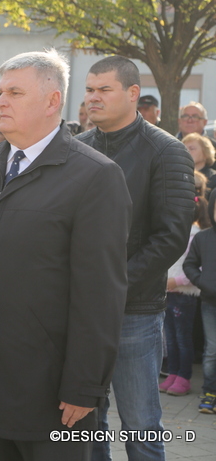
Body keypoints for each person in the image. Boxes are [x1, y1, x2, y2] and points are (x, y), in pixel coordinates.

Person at [0, 49, 132, 461]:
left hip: (49, 394)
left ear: (52, 101)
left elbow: (100, 294)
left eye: (15, 93)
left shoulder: (95, 176)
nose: (0, 102)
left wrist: (85, 385)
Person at [78, 55, 195, 461]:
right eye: (89, 89)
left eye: (103, 89)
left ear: (132, 93)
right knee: (83, 424)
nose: (93, 97)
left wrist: (114, 288)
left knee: (141, 427)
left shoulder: (166, 151)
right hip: (78, 310)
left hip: (135, 312)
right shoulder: (76, 148)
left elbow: (171, 237)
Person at [161, 171, 210, 396]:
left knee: (182, 337)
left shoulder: (195, 235)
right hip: (169, 291)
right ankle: (172, 372)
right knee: (170, 337)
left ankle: (184, 377)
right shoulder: (174, 233)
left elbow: (195, 268)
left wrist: (175, 281)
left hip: (184, 294)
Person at [183, 194, 216, 414]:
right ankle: (209, 392)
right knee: (212, 350)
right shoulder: (203, 238)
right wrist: (202, 281)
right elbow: (190, 265)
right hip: (210, 304)